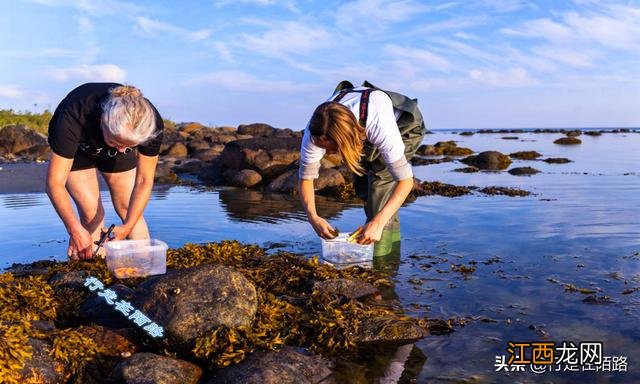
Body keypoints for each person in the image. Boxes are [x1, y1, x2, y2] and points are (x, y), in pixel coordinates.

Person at [45, 83, 164, 260]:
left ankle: (144, 266)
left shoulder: (149, 123)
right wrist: (74, 229)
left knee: (128, 207)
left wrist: (128, 226)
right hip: (78, 150)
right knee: (92, 215)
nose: (123, 150)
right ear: (102, 122)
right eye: (117, 142)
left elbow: (144, 181)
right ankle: (94, 271)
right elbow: (54, 183)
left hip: (116, 138)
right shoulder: (74, 114)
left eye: (130, 146)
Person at [298, 81, 425, 245]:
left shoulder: (379, 126)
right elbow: (306, 179)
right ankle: (372, 234)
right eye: (324, 148)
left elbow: (406, 181)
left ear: (347, 141)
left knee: (380, 189)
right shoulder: (315, 132)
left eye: (333, 148)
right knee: (363, 185)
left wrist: (378, 222)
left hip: (403, 125)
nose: (328, 154)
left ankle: (385, 261)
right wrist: (313, 217)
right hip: (358, 126)